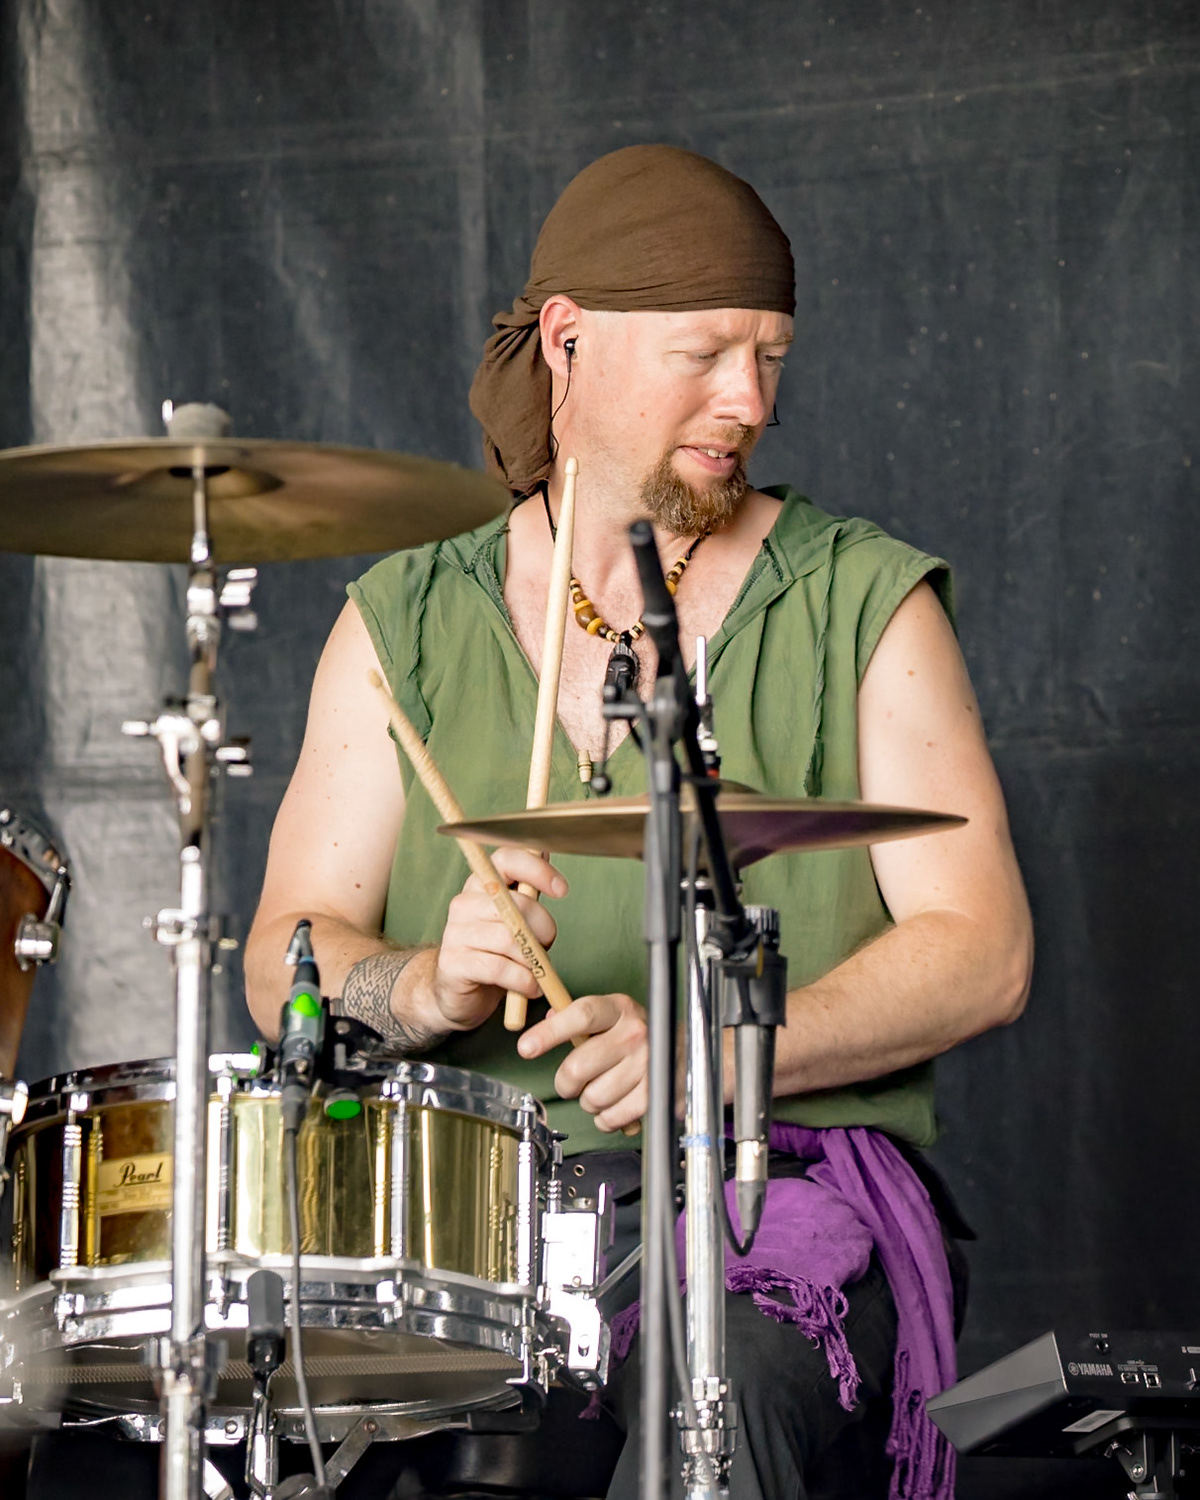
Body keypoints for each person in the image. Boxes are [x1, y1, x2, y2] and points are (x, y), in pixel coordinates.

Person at [245, 144, 1033, 1500]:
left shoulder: (860, 604)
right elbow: (284, 959)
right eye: (709, 352)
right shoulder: (404, 626)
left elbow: (984, 950)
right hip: (469, 1224)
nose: (752, 400)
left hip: (765, 1193)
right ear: (569, 341)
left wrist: (710, 1055)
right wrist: (425, 985)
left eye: (773, 356)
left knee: (709, 1392)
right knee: (279, 1411)